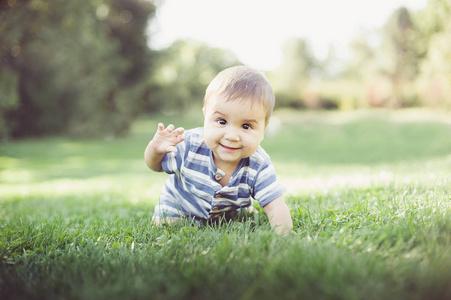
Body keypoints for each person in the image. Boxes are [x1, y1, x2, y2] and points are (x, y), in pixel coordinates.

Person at [144, 66, 293, 235]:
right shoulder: (188, 145)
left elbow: (275, 204)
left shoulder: (258, 164)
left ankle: (244, 209)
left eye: (246, 126)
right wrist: (155, 150)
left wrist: (284, 236)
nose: (232, 136)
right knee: (165, 227)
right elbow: (156, 166)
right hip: (180, 204)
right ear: (205, 116)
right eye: (222, 121)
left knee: (241, 218)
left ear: (263, 130)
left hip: (228, 213)